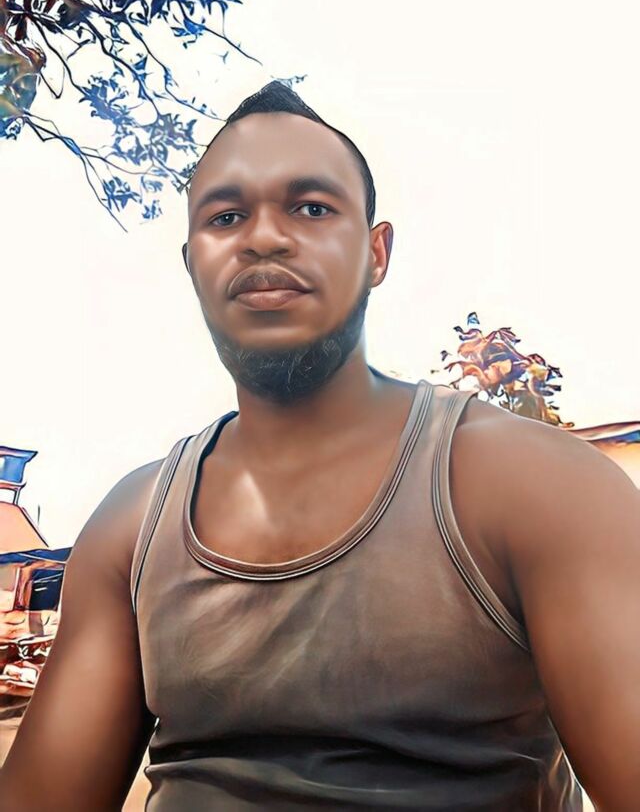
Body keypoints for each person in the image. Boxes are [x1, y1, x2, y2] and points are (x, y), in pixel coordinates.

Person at [1, 81, 638, 812]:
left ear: (376, 252)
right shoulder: (132, 524)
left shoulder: (536, 486)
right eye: (227, 216)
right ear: (192, 264)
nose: (263, 238)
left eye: (310, 207)